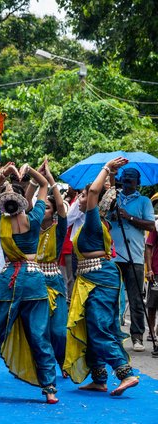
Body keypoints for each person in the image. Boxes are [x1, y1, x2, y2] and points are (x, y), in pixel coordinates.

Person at [0, 163, 59, 404]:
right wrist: (32, 172)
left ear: (4, 206)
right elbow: (45, 185)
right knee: (39, 336)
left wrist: (5, 173)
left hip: (8, 280)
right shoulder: (36, 218)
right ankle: (49, 389)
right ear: (24, 204)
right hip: (34, 281)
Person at [63, 157, 139, 395]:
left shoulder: (94, 220)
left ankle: (124, 373)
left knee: (99, 325)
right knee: (90, 324)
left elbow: (96, 190)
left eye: (84, 196)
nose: (81, 199)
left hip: (99, 279)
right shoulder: (88, 222)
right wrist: (112, 177)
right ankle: (99, 378)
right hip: (90, 279)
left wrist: (106, 169)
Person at [106, 167, 154, 351]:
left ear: (138, 182)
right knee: (110, 297)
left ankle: (137, 337)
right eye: (124, 177)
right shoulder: (113, 199)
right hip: (112, 256)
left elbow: (150, 226)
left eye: (131, 178)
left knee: (135, 299)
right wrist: (112, 214)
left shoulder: (144, 201)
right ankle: (111, 334)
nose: (127, 180)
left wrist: (129, 217)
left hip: (134, 257)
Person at [36, 162, 68, 367]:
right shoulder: (29, 228)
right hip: (34, 281)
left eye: (47, 207)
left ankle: (62, 360)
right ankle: (40, 365)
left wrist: (51, 180)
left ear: (53, 211)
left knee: (58, 330)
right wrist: (37, 179)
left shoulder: (58, 229)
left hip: (54, 282)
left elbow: (63, 211)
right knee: (38, 329)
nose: (43, 210)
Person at [144, 229, 158, 342]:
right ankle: (152, 331)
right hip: (156, 271)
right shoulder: (157, 226)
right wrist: (149, 269)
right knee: (152, 304)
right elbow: (148, 246)